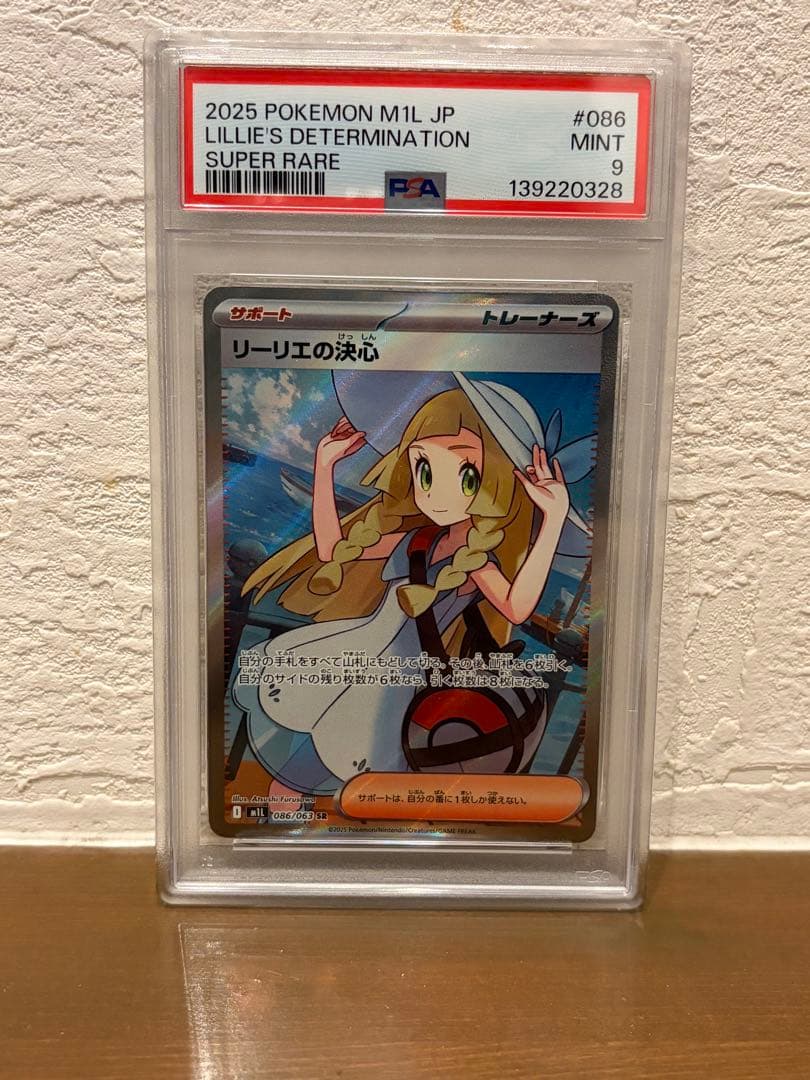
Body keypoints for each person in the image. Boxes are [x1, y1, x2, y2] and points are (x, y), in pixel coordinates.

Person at [232, 372, 594, 796]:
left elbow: (517, 607)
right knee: (307, 785)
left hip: (402, 692)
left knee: (333, 785)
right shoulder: (421, 539)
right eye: (424, 469)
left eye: (466, 476)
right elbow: (332, 549)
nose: (434, 493)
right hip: (363, 664)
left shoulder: (476, 559)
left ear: (497, 482)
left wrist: (552, 520)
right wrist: (324, 466)